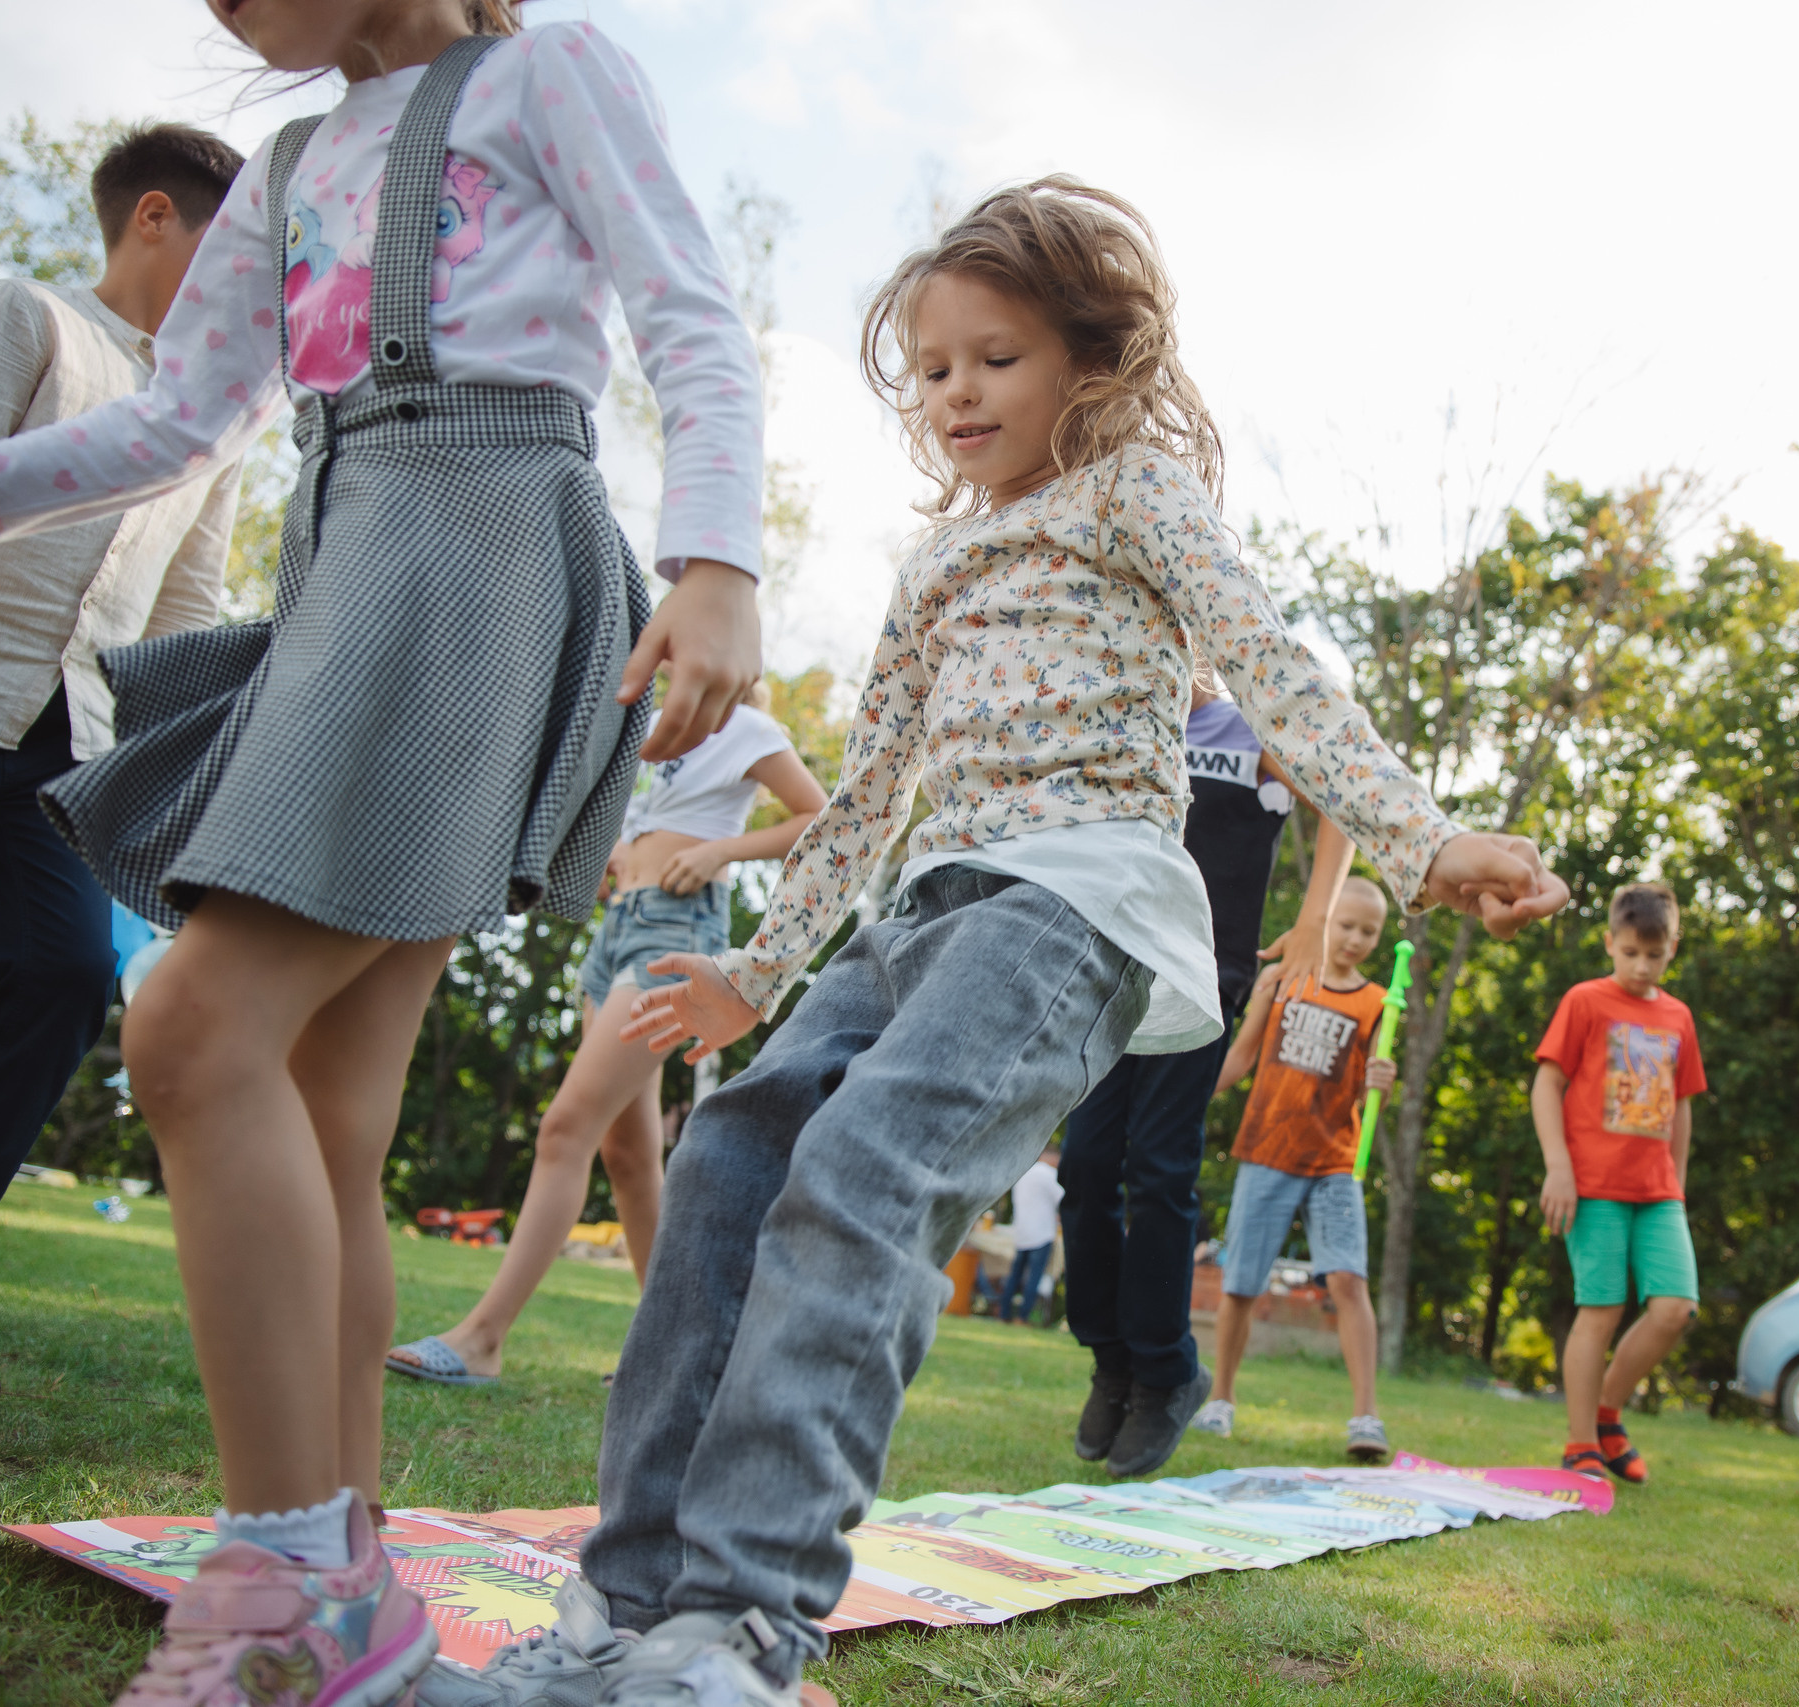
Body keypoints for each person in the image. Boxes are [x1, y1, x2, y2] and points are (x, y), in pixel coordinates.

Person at [428, 177, 1569, 1707]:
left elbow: (1273, 669)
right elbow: (870, 796)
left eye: (996, 357)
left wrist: (1428, 839)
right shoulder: (933, 567)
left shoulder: (1136, 495)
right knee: (724, 1159)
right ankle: (627, 1606)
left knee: (864, 1173)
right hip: (923, 910)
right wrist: (754, 975)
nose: (958, 391)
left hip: (1072, 903)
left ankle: (745, 1626)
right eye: (935, 367)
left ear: (1089, 366)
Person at [0, 3, 766, 1702]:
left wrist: (717, 557)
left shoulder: (543, 74)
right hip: (346, 560)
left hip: (486, 549)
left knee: (195, 1024)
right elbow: (172, 427)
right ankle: (351, 1575)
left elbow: (690, 316)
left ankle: (286, 1587)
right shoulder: (288, 168)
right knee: (326, 1107)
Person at [0, 122, 247, 1417]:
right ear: (155, 218)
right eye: (230, 248)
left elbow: (188, 607)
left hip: (63, 751)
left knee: (61, 977)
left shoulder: (208, 418)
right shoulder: (23, 317)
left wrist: (183, 788)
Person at [388, 687, 825, 1386]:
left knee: (566, 1128)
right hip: (617, 930)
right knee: (626, 1151)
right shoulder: (649, 729)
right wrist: (615, 855)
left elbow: (820, 816)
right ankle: (668, 1353)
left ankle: (482, 1337)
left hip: (674, 933)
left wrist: (721, 852)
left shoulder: (747, 727)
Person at [1061, 683, 1358, 1476]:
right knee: (1087, 1164)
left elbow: (1338, 796)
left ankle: (1165, 1372)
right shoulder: (1122, 713)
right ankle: (1110, 1359)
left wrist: (1317, 917)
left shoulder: (1248, 724)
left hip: (1200, 975)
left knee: (1158, 1168)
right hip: (1108, 966)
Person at [1189, 876, 1398, 1462]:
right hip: (1267, 1151)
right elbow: (1242, 1052)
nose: (1355, 939)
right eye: (1346, 925)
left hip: (1334, 1162)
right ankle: (1221, 1400)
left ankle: (1366, 1416)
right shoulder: (1283, 978)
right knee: (1241, 1283)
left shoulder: (1379, 1002)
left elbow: (1370, 1080)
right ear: (1324, 921)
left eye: (1368, 931)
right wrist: (1190, 1100)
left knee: (1349, 1281)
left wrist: (1383, 1077)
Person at [1530, 882, 1707, 1486]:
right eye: (1629, 951)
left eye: (1653, 956)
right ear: (1610, 942)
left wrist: (1676, 1184)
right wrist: (1559, 1167)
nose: (1640, 965)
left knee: (1674, 1309)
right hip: (1593, 1186)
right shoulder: (1585, 1000)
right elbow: (1546, 1084)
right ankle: (1581, 1443)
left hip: (1659, 1193)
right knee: (1599, 1311)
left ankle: (1607, 1413)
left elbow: (1680, 1106)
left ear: (1672, 950)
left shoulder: (1677, 1016)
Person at [994, 1146, 1061, 1325]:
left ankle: (1004, 1313)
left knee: (1015, 1275)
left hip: (1022, 1232)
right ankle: (1022, 1317)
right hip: (1042, 1233)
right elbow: (1063, 1200)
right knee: (1034, 1277)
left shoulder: (1023, 1174)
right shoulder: (1049, 1174)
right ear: (1052, 1157)